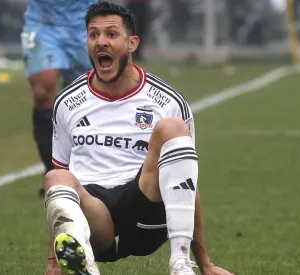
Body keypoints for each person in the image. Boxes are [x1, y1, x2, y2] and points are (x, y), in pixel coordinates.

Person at [43, 2, 234, 275]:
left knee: (172, 128)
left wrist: (206, 263)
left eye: (111, 34)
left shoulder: (167, 101)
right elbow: (60, 196)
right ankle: (84, 266)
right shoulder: (67, 101)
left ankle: (181, 265)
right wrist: (52, 262)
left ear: (132, 43)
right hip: (95, 222)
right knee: (54, 178)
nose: (101, 42)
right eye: (93, 35)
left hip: (145, 212)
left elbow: (187, 184)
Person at [21, 0, 98, 197]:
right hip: (43, 23)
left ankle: (85, 172)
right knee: (42, 92)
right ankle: (53, 173)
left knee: (83, 95)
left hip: (85, 21)